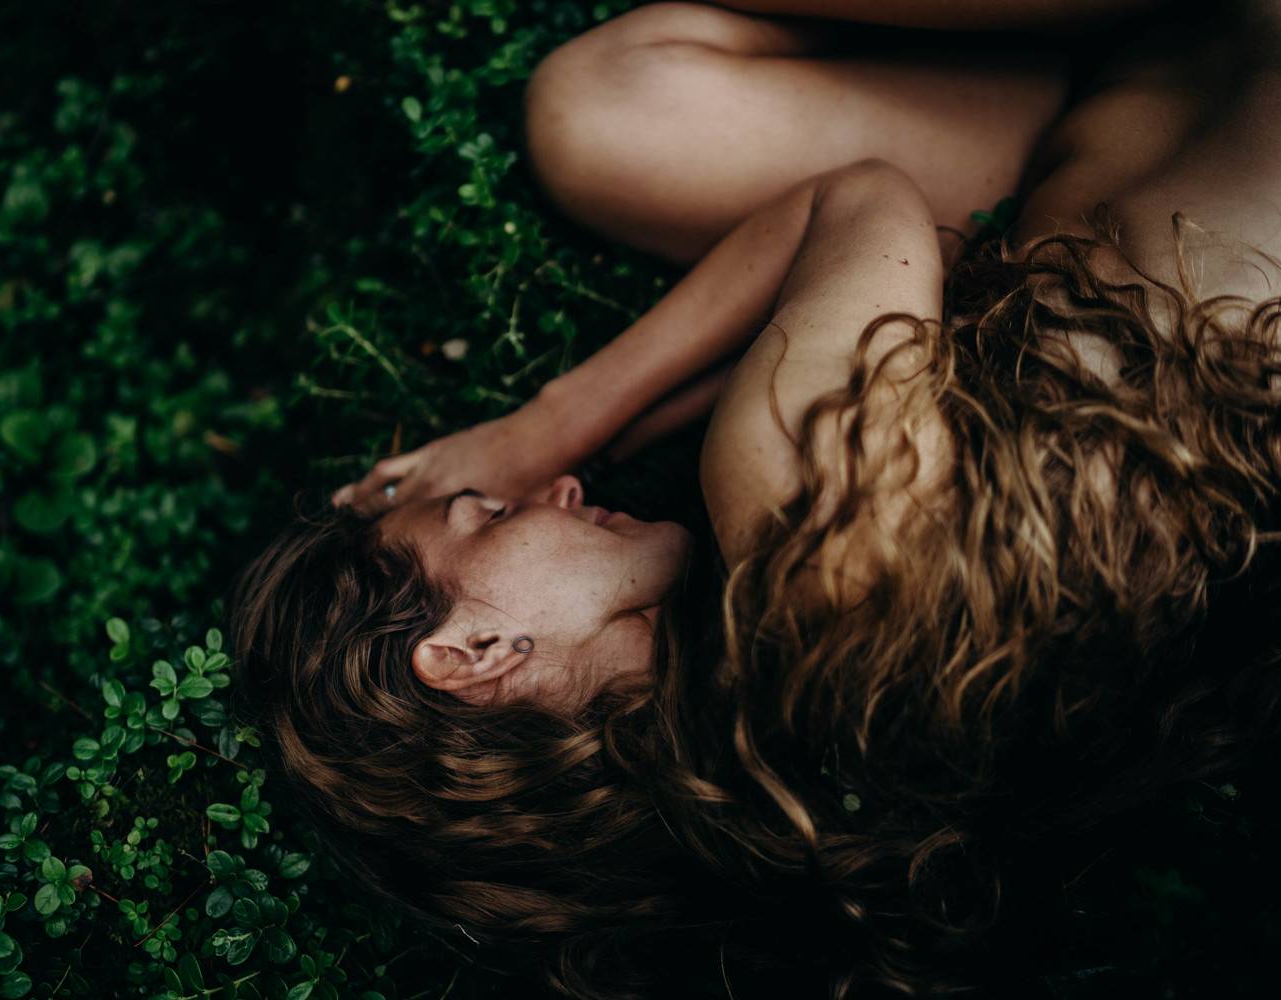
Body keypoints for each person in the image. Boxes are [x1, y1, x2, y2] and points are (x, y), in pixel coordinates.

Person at [231, 2, 1281, 996]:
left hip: (1128, 116)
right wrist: (551, 422)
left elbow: (895, 263)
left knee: (593, 120)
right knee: (605, 104)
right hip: (1227, 58)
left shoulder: (869, 743)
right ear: (472, 655)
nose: (557, 491)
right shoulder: (802, 532)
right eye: (493, 517)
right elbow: (862, 201)